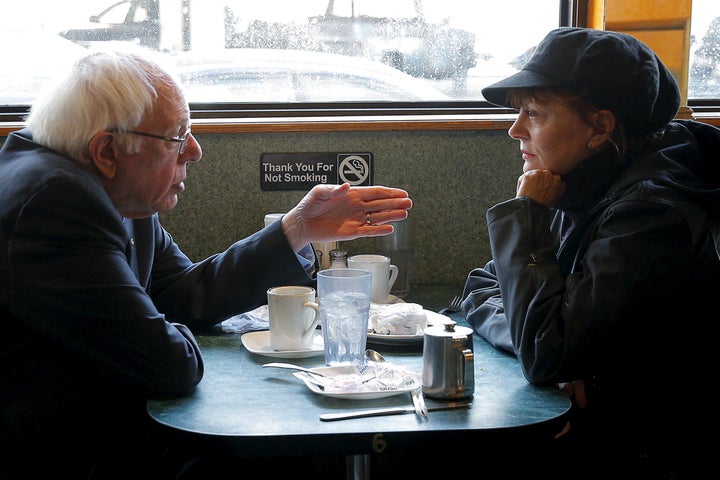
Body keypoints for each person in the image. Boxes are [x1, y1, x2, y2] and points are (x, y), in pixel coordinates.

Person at [0, 51, 412, 479]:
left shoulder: (106, 187)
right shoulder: (56, 203)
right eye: (178, 137)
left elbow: (182, 291)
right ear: (107, 150)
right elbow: (169, 364)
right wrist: (159, 326)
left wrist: (298, 229)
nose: (194, 151)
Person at [461, 27, 719, 479]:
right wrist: (539, 340)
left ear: (600, 127)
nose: (514, 129)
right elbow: (481, 286)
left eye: (534, 113)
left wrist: (526, 217)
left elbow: (547, 352)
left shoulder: (649, 215)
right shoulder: (585, 181)